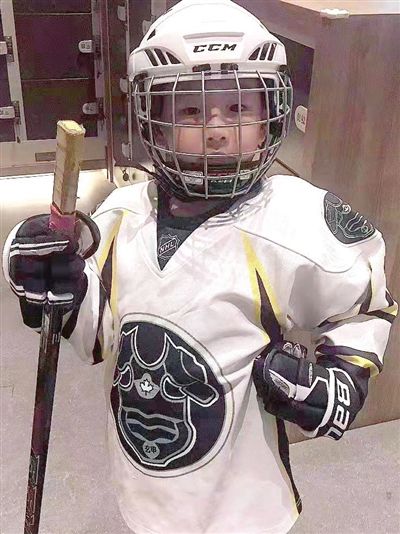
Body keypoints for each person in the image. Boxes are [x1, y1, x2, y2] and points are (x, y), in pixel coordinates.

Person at [2, 1, 397, 533]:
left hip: (244, 507)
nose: (216, 130)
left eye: (237, 108)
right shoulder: (123, 215)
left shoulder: (296, 221)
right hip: (147, 484)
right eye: (191, 111)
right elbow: (102, 337)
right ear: (155, 121)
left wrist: (340, 379)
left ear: (270, 112)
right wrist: (58, 284)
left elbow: (363, 307)